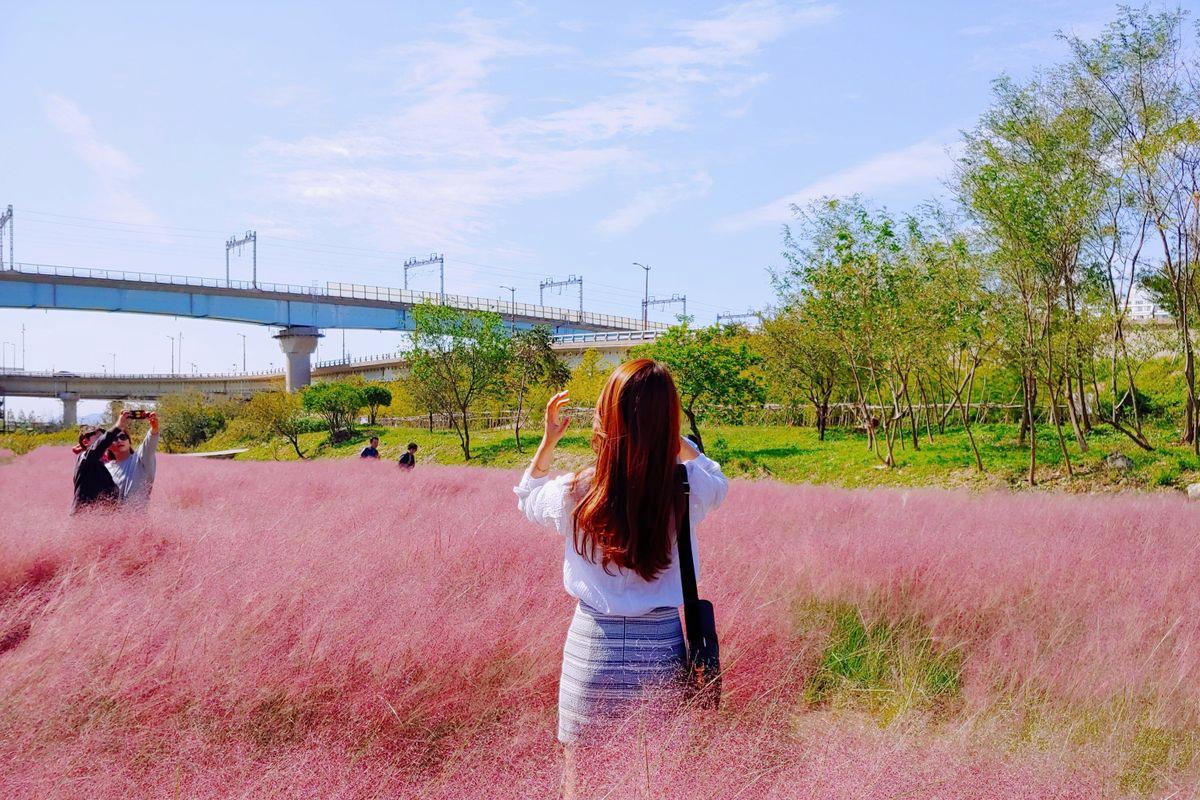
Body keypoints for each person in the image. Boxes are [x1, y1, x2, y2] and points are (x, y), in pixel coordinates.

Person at [513, 359, 728, 793]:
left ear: (605, 418)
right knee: (657, 780)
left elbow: (527, 496)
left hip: (592, 649)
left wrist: (547, 442)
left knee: (582, 781)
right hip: (662, 650)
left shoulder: (574, 491)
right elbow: (717, 479)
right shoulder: (687, 487)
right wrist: (673, 439)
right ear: (669, 421)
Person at [105, 411, 159, 509]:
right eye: (114, 438)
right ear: (107, 446)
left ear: (129, 441)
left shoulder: (140, 459)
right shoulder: (106, 468)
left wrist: (154, 428)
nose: (119, 440)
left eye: (122, 437)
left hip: (138, 520)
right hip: (113, 521)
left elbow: (149, 445)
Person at [71, 418, 125, 514]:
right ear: (85, 442)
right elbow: (99, 446)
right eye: (98, 438)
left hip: (98, 517)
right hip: (86, 517)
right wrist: (118, 426)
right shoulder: (86, 459)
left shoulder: (96, 463)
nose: (103, 443)